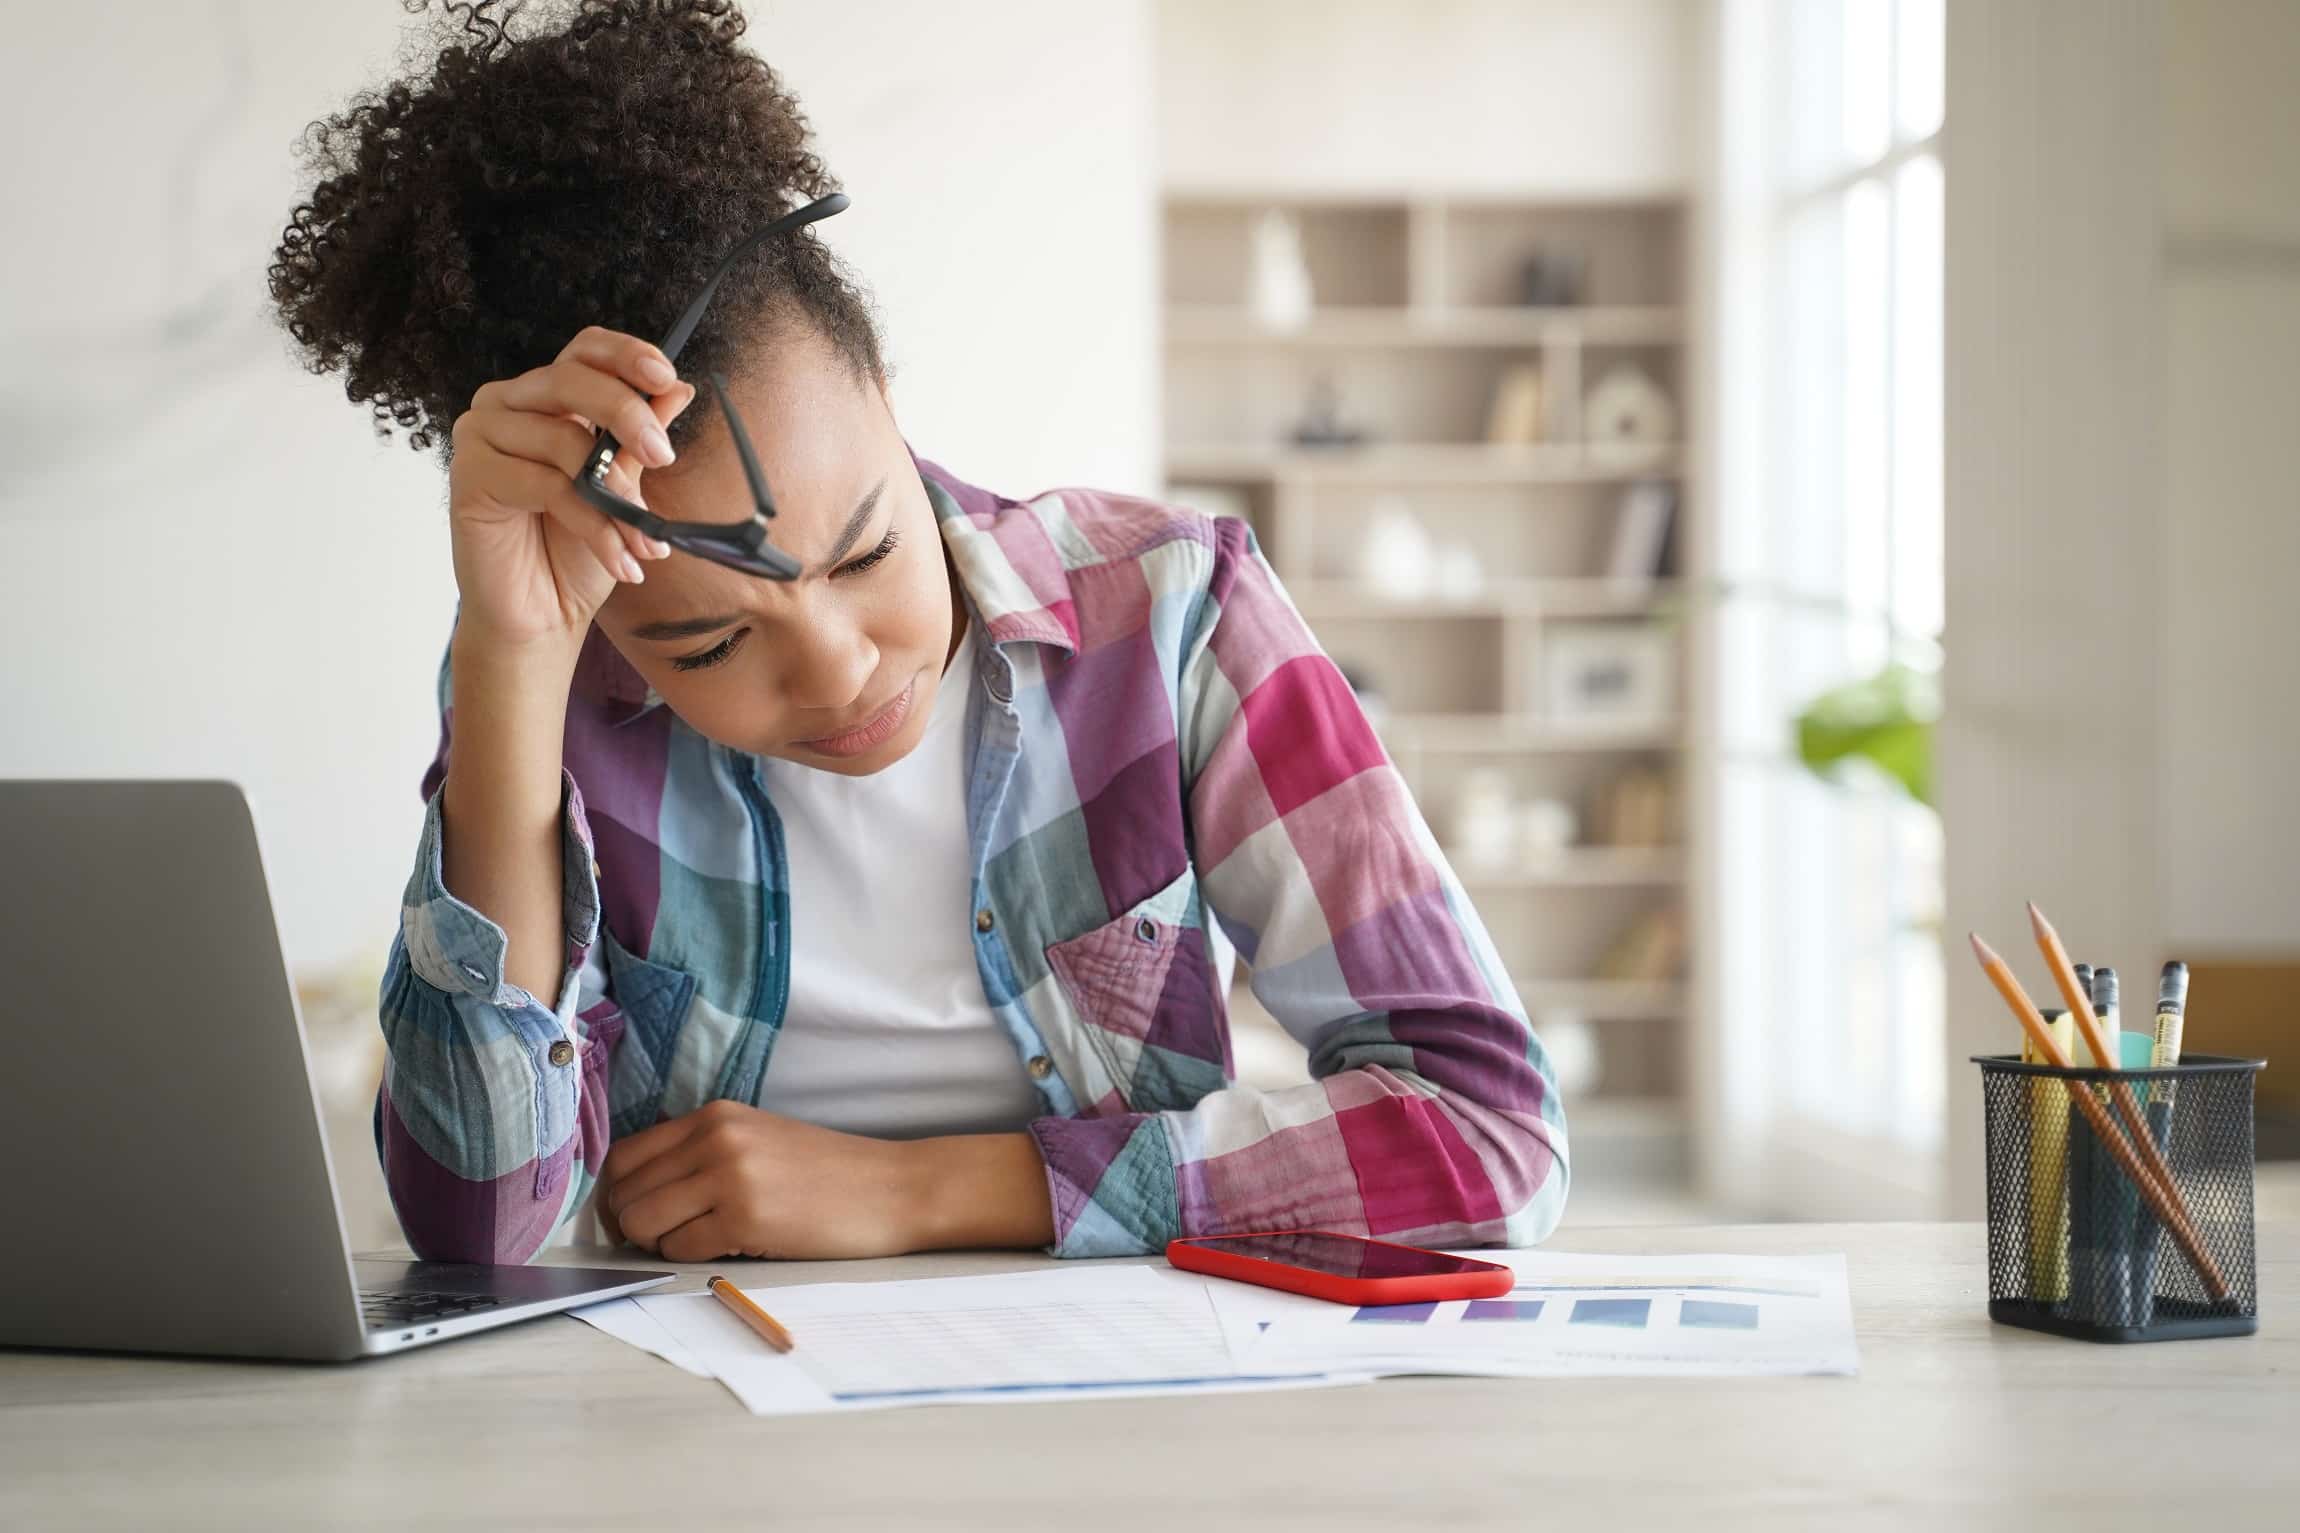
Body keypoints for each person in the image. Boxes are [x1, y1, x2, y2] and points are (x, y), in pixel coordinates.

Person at [265, 0, 1566, 1265]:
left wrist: (927, 1188)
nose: (836, 666)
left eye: (867, 549)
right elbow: (477, 1230)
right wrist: (507, 659)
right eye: (708, 644)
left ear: (887, 393)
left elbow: (1489, 1135)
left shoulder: (1171, 617)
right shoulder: (556, 683)